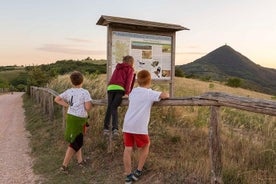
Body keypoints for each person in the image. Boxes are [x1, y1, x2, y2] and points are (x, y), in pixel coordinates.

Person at [122, 70, 169, 183]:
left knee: (128, 149)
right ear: (150, 80)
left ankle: (128, 176)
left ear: (137, 81)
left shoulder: (133, 92)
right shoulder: (150, 93)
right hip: (139, 127)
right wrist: (165, 93)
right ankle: (138, 171)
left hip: (128, 124)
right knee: (146, 145)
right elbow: (165, 95)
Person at [54, 71, 92, 173]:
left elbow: (57, 99)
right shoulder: (85, 92)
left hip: (70, 117)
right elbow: (88, 107)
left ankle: (80, 161)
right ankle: (64, 166)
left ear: (71, 81)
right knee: (74, 143)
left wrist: (68, 105)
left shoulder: (68, 91)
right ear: (82, 80)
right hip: (79, 120)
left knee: (76, 140)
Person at [103, 55, 135, 137]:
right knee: (114, 107)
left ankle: (105, 129)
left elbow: (113, 78)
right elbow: (128, 82)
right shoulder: (130, 69)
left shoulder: (118, 67)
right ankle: (115, 129)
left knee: (110, 107)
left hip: (110, 88)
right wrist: (127, 93)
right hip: (119, 89)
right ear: (131, 62)